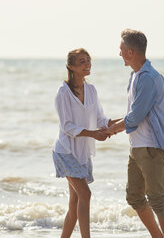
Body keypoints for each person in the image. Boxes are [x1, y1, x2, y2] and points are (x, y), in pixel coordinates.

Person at [106, 29, 164, 238]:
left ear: (130, 52)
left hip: (150, 147)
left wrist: (111, 129)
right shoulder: (136, 75)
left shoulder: (148, 78)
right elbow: (133, 114)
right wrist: (112, 124)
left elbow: (135, 117)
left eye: (121, 50)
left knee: (157, 199)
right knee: (134, 197)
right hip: (137, 147)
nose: (119, 54)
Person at [52, 48, 120, 238]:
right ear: (71, 66)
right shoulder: (63, 92)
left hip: (81, 152)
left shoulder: (91, 89)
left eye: (88, 60)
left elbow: (99, 118)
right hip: (65, 151)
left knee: (74, 204)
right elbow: (67, 126)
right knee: (85, 195)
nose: (87, 64)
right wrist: (93, 134)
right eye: (82, 61)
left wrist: (118, 123)